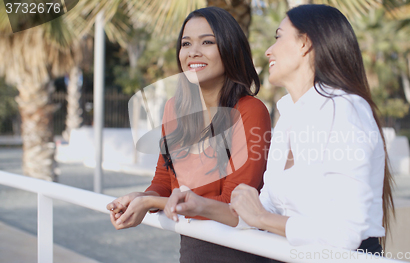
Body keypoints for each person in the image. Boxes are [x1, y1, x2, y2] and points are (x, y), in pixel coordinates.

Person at [163, 4, 395, 256]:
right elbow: (260, 210)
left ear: (305, 44)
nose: (268, 50)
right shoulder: (289, 117)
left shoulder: (346, 109)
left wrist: (262, 218)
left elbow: (344, 234)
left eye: (278, 37)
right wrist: (201, 205)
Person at [106, 7, 272, 262]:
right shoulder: (175, 108)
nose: (193, 52)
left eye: (207, 42)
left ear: (230, 48)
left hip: (237, 252)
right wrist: (141, 198)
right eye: (186, 43)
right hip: (192, 250)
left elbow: (234, 203)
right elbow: (164, 180)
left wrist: (153, 204)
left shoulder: (250, 110)